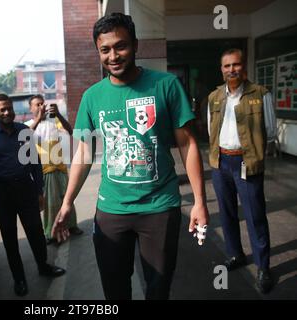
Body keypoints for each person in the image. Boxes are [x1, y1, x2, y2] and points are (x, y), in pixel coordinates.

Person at [51, 13, 209, 300]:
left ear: (135, 45)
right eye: (105, 49)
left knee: (158, 289)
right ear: (98, 51)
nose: (113, 55)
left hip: (160, 207)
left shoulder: (166, 86)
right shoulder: (91, 97)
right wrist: (66, 202)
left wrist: (199, 201)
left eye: (120, 46)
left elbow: (187, 145)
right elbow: (84, 152)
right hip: (112, 210)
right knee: (114, 290)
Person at [0, 93, 66, 297]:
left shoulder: (24, 131)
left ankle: (44, 266)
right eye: (3, 109)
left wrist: (39, 191)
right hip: (2, 193)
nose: (8, 112)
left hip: (27, 190)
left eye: (9, 108)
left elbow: (35, 163)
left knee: (36, 232)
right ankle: (19, 279)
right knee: (9, 238)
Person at [207, 48, 276, 294]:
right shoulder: (214, 97)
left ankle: (263, 266)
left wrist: (254, 152)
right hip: (221, 162)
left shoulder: (260, 94)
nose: (231, 69)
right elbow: (210, 132)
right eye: (226, 66)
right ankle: (235, 255)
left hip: (246, 162)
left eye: (235, 65)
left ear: (243, 66)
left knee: (255, 215)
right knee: (226, 214)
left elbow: (270, 129)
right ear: (221, 69)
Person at [25, 95, 83, 245]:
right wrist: (38, 118)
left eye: (42, 104)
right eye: (36, 105)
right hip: (44, 170)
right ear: (30, 108)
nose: (40, 107)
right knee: (49, 203)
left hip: (60, 167)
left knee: (67, 198)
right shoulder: (28, 124)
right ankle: (50, 232)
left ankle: (71, 226)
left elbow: (69, 131)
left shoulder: (54, 121)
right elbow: (25, 137)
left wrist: (58, 114)